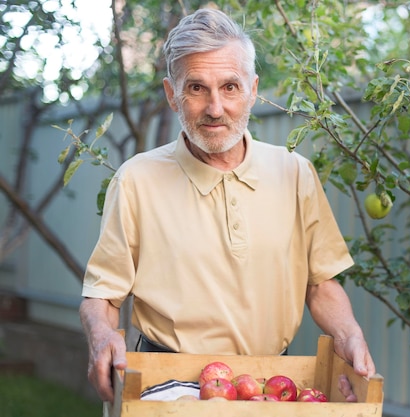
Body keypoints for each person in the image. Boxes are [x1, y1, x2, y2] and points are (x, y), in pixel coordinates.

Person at [79, 7, 376, 403]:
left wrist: (349, 335)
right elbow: (103, 294)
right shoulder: (136, 180)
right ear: (172, 94)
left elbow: (320, 283)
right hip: (167, 386)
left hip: (273, 386)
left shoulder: (296, 173)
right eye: (197, 88)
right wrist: (100, 337)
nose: (215, 108)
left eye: (230, 87)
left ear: (253, 90)